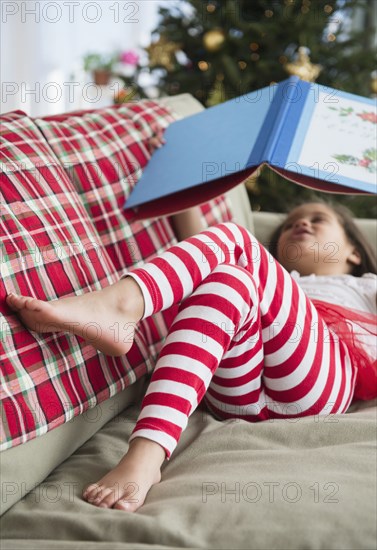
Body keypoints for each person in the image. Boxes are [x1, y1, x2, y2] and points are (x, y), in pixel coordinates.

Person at [6, 201, 377, 513]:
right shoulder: (273, 280)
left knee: (235, 240)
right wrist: (187, 185)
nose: (301, 222)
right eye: (292, 222)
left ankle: (120, 305)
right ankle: (146, 457)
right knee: (228, 279)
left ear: (354, 251)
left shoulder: (363, 286)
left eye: (317, 220)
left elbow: (233, 245)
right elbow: (196, 252)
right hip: (237, 393)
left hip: (316, 386)